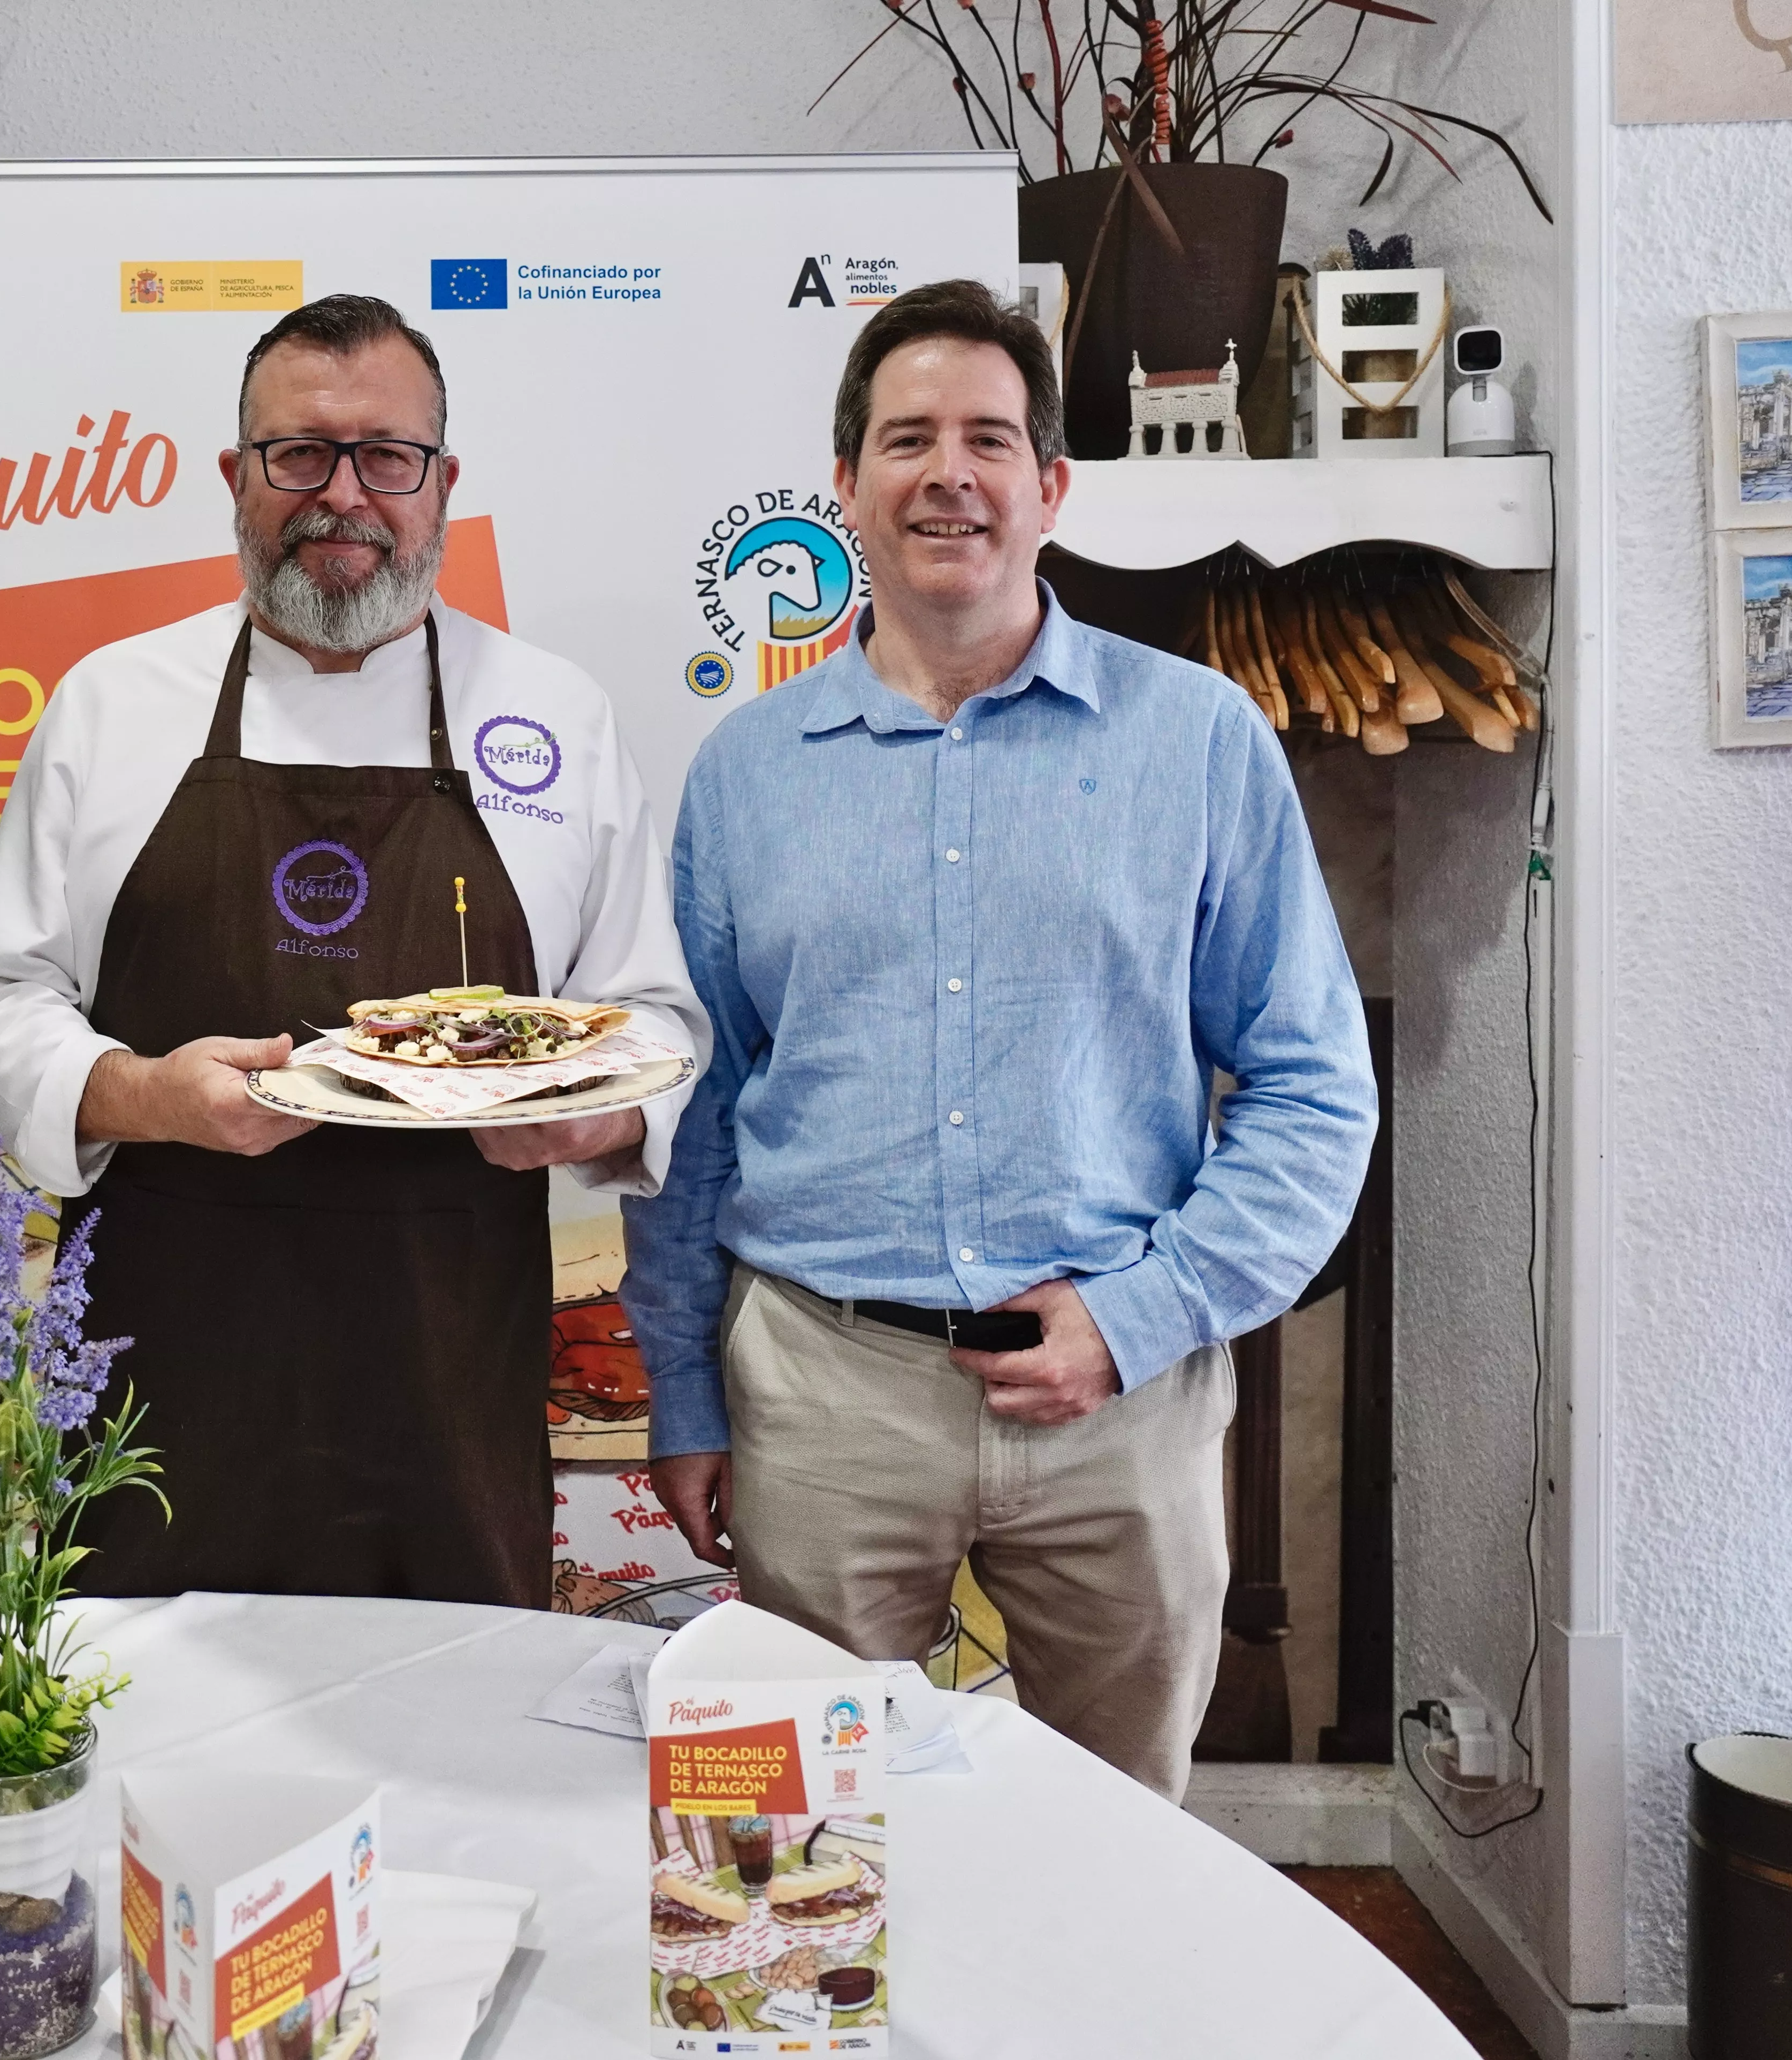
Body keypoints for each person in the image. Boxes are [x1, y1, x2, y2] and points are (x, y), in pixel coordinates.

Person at [622, 278, 1377, 1800]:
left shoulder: (1198, 739)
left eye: (986, 438)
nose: (944, 474)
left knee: (1115, 1847)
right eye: (904, 439)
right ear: (843, 487)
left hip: (1121, 1400)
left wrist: (1147, 1313)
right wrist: (685, 1396)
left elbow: (1309, 1088)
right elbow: (693, 1119)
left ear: (1050, 486)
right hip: (822, 1397)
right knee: (797, 1854)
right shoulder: (744, 774)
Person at [0, 293, 701, 1609]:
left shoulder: (554, 717)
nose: (341, 495)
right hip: (160, 1373)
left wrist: (580, 1126)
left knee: (447, 1752)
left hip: (444, 1372)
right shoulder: (113, 704)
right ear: (236, 478)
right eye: (298, 455)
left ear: (442, 485)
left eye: (385, 458)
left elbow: (652, 1019)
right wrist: (138, 1095)